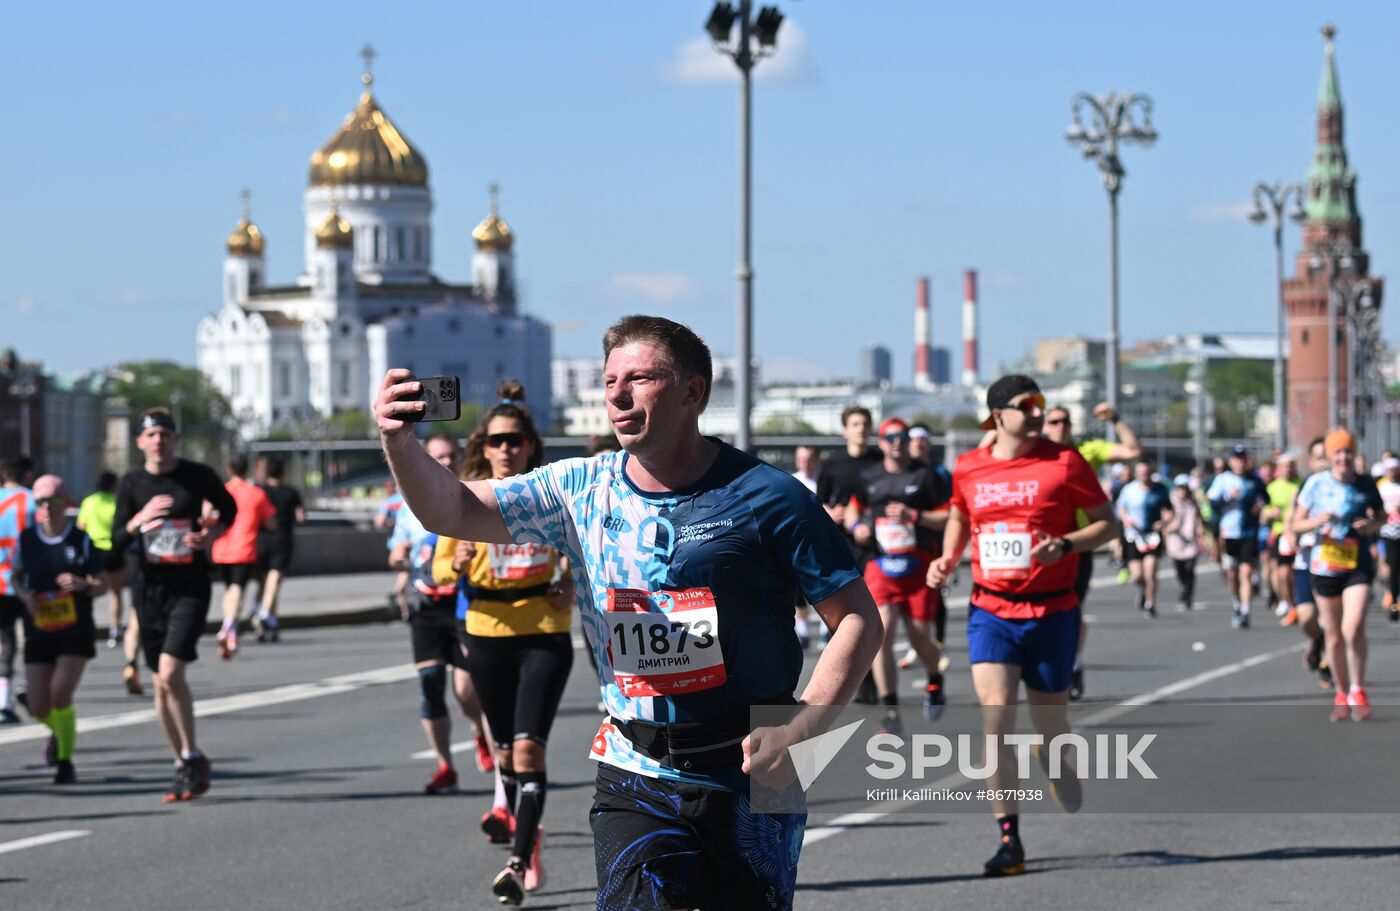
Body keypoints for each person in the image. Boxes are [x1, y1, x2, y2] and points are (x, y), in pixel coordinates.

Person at [374, 314, 882, 911]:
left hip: (750, 771)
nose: (616, 393)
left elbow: (857, 620)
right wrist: (398, 442)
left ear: (693, 391)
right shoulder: (580, 489)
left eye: (639, 378)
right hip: (635, 769)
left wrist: (801, 728)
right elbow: (453, 509)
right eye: (609, 379)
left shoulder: (769, 495)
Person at [927, 374, 1116, 877]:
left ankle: (1053, 757)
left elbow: (1107, 523)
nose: (1036, 412)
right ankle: (1009, 837)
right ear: (997, 416)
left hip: (1053, 611)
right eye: (1025, 405)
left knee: (1051, 726)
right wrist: (947, 558)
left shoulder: (1065, 462)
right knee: (996, 720)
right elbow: (960, 517)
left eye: (1040, 404)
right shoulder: (968, 467)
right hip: (991, 610)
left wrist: (1068, 544)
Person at [436, 381, 575, 902]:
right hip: (487, 634)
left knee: (527, 750)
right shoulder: (466, 498)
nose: (506, 449)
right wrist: (459, 561)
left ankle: (516, 862)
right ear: (484, 446)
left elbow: (582, 551)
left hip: (542, 633)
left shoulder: (552, 492)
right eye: (496, 441)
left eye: (515, 440)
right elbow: (440, 567)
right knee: (504, 755)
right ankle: (529, 835)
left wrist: (569, 584)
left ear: (529, 444)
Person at [111, 408, 238, 802]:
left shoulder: (197, 475)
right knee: (158, 681)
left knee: (169, 672)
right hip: (148, 589)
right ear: (140, 442)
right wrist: (139, 520)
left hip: (190, 585)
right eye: (151, 435)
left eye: (165, 434)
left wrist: (210, 533)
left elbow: (229, 510)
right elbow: (115, 538)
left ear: (175, 438)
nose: (158, 441)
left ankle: (191, 752)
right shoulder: (131, 483)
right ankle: (185, 758)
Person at [390, 433, 491, 794]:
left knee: (466, 691)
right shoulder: (407, 504)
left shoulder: (473, 494)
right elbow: (395, 551)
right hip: (426, 606)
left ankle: (479, 730)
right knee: (430, 686)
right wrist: (399, 554)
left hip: (464, 603)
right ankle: (445, 766)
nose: (444, 463)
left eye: (450, 456)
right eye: (437, 457)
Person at [847, 417, 949, 727]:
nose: (896, 442)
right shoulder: (870, 477)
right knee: (882, 637)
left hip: (917, 567)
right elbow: (854, 506)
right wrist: (857, 526)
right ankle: (890, 712)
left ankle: (934, 678)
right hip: (882, 567)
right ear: (880, 442)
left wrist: (913, 515)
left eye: (901, 436)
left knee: (921, 642)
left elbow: (949, 517)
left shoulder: (926, 476)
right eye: (889, 437)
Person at [1039, 403, 1142, 700]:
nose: (1061, 427)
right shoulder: (1036, 455)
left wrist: (1116, 420)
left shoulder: (1087, 450)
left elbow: (1133, 451)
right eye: (1054, 422)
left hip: (1076, 543)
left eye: (1065, 422)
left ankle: (1073, 662)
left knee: (1072, 609)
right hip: (1043, 544)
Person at [12, 475, 106, 783]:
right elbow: (16, 576)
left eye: (52, 501)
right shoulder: (27, 539)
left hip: (74, 629)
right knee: (39, 707)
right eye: (40, 501)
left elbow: (102, 583)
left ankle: (65, 761)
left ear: (66, 503)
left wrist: (83, 584)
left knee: (60, 694)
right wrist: (25, 596)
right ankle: (60, 733)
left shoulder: (81, 540)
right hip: (39, 628)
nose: (47, 507)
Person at [1289, 428, 1382, 722]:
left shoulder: (1366, 483)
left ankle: (1357, 689)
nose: (1343, 457)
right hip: (1325, 566)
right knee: (1333, 633)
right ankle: (1341, 692)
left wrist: (1369, 525)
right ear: (1330, 457)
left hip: (1358, 564)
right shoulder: (1316, 484)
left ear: (1354, 454)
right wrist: (1316, 520)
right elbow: (1295, 523)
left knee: (1352, 628)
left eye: (1348, 452)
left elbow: (1380, 516)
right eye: (1338, 452)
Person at [210, 454, 276, 659]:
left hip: (221, 549)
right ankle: (228, 625)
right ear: (246, 470)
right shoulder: (256, 493)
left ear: (230, 470)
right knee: (238, 588)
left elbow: (209, 516)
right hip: (244, 548)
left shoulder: (222, 491)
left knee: (229, 590)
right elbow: (271, 522)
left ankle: (231, 634)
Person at [1206, 445, 1268, 629]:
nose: (1239, 463)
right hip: (1228, 533)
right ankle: (1236, 603)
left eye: (1242, 459)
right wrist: (1227, 498)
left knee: (1246, 572)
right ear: (1231, 461)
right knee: (1232, 574)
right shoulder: (1223, 480)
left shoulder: (1253, 480)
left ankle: (1246, 610)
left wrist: (1260, 505)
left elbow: (1265, 497)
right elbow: (1211, 503)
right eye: (1236, 459)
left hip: (1248, 532)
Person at [0, 455, 36, 724]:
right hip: (30, 580)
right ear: (27, 475)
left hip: (1, 581)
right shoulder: (33, 502)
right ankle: (32, 686)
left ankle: (4, 700)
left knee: (6, 641)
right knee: (36, 639)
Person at [254, 456, 305, 641]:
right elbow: (300, 517)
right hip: (281, 540)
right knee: (273, 583)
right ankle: (264, 614)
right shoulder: (291, 492)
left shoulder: (259, 491)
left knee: (265, 584)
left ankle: (271, 625)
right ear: (283, 473)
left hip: (260, 540)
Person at [1117, 460, 1173, 617]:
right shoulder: (1129, 489)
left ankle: (1150, 603)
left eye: (1147, 473)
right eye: (1141, 473)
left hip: (1152, 536)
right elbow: (1121, 507)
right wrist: (1126, 519)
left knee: (1151, 572)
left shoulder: (1160, 489)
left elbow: (1169, 511)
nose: (1144, 476)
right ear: (1136, 473)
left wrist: (1163, 522)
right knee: (1137, 576)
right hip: (1134, 536)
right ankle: (1144, 591)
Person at [1263, 454, 1302, 625]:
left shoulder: (1302, 484)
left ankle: (1303, 604)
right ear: (1279, 468)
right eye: (1285, 466)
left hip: (1301, 533)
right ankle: (1290, 605)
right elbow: (1263, 515)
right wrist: (1272, 514)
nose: (1288, 469)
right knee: (1283, 573)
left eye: (1291, 465)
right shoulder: (1272, 488)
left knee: (1299, 572)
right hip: (1280, 534)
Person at [1163, 475, 1204, 610]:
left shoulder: (1192, 503)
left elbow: (1199, 519)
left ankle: (1187, 595)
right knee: (1179, 569)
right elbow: (1163, 520)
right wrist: (1168, 527)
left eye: (1185, 488)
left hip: (1191, 540)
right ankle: (1183, 586)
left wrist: (1201, 532)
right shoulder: (1170, 502)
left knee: (1190, 569)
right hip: (1175, 540)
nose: (1182, 491)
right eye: (1180, 488)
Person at [376, 480, 409, 618]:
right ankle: (398, 595)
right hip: (412, 542)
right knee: (407, 572)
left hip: (395, 543)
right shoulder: (411, 499)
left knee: (404, 572)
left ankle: (405, 611)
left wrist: (390, 524)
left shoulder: (390, 502)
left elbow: (379, 522)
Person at [1376, 456, 1400, 623]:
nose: (1392, 473)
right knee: (1393, 567)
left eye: (1395, 470)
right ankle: (1393, 601)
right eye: (1389, 470)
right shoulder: (1382, 487)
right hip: (1389, 532)